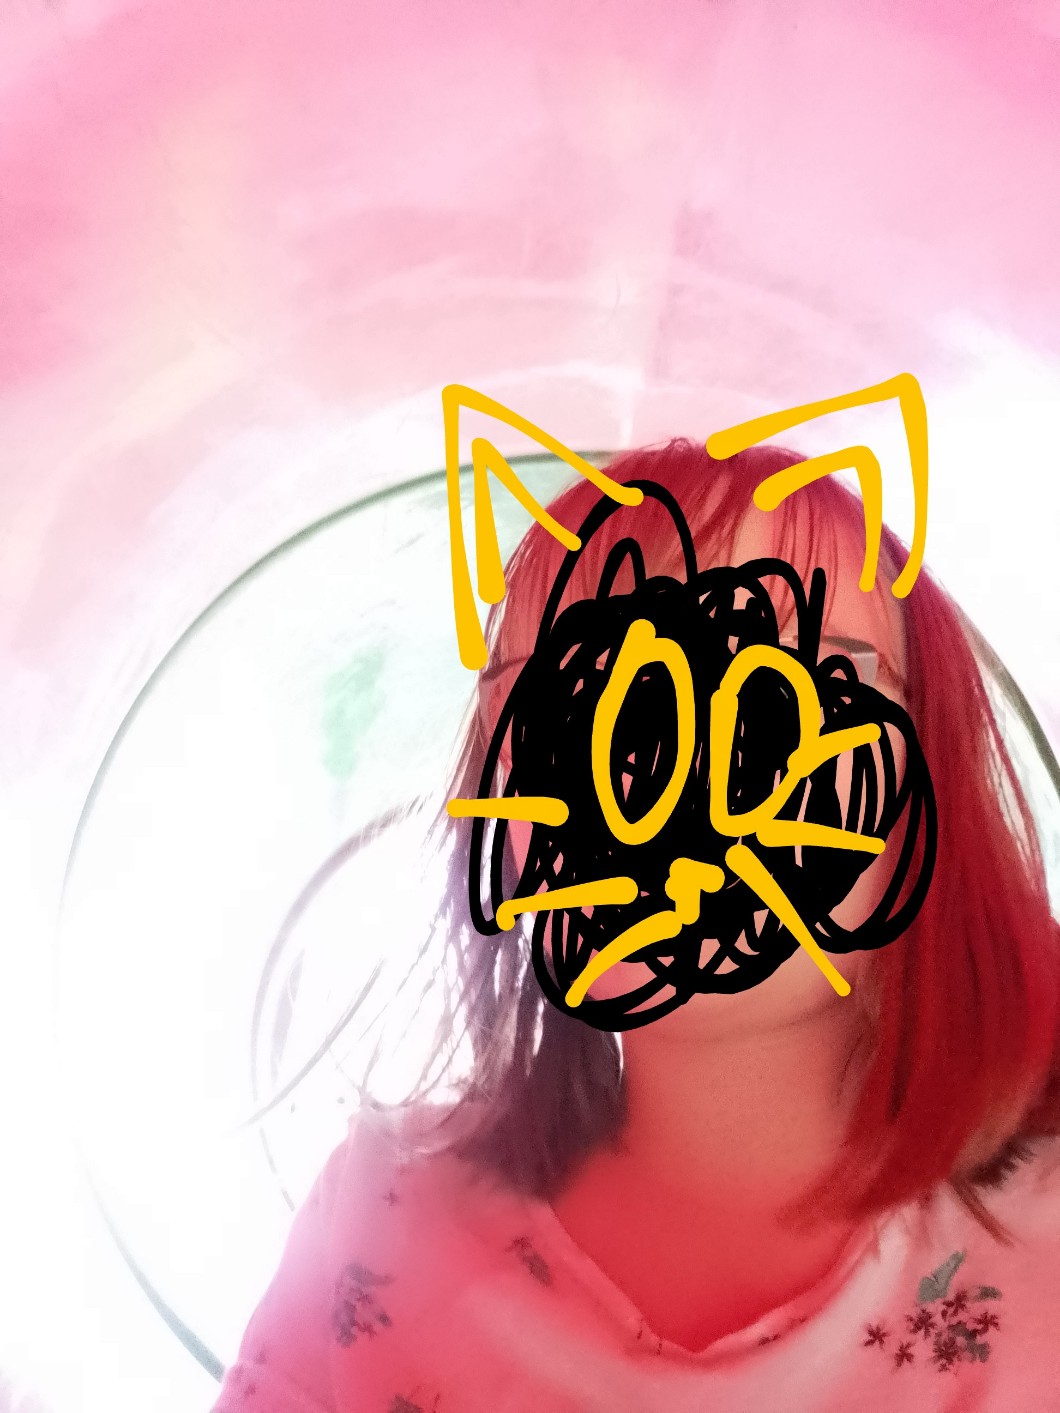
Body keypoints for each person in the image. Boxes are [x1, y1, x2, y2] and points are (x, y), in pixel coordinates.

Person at [210, 438, 1060, 1411]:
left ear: (929, 777)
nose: (660, 768)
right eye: (573, 695)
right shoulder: (378, 1214)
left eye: (780, 690)